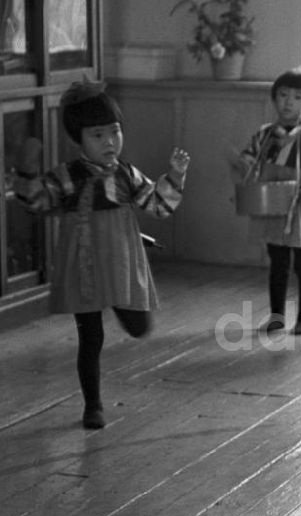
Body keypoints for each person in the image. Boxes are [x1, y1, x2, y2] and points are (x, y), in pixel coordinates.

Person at [13, 80, 189, 429]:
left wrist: (175, 176)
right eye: (98, 135)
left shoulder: (126, 174)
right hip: (83, 266)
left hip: (122, 263)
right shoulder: (66, 178)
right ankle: (92, 405)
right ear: (78, 139)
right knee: (90, 338)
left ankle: (122, 319)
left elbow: (158, 205)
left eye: (115, 132)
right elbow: (36, 201)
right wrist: (27, 173)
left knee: (139, 327)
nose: (110, 142)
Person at [232, 66, 301, 336]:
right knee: (277, 262)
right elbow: (250, 161)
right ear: (274, 99)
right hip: (272, 204)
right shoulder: (264, 134)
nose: (289, 102)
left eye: (297, 97)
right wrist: (243, 165)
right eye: (283, 95)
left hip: (299, 205)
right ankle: (277, 315)